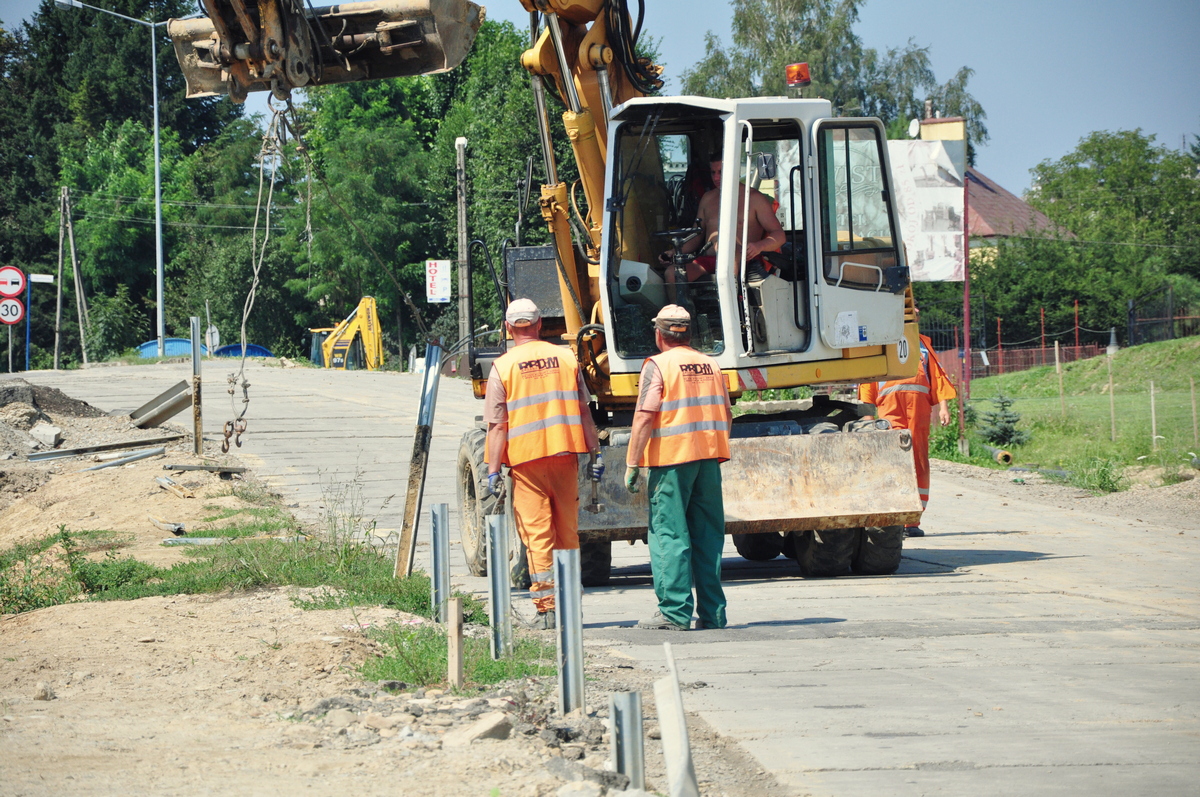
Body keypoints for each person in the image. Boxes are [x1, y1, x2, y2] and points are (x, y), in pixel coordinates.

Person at [485, 298, 601, 629]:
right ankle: (571, 607)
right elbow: (583, 411)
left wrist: (492, 472)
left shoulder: (503, 367)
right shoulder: (566, 359)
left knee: (538, 536)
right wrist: (595, 453)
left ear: (508, 328)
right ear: (538, 325)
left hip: (527, 463)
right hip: (565, 457)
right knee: (567, 533)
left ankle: (548, 610)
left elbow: (497, 427)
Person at [624, 305, 733, 631]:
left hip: (671, 462)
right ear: (689, 333)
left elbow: (645, 415)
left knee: (669, 535)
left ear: (659, 334)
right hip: (708, 460)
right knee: (708, 537)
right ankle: (713, 614)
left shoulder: (657, 365)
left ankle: (673, 612)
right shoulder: (710, 364)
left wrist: (633, 462)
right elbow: (726, 414)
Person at [857, 309, 956, 537]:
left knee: (918, 459)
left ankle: (912, 521)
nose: (915, 313)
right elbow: (868, 380)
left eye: (915, 311)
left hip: (918, 411)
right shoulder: (879, 342)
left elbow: (937, 377)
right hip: (890, 410)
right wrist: (868, 417)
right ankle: (895, 519)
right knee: (895, 461)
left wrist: (943, 407)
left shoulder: (923, 345)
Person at [657, 156, 786, 285]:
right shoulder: (707, 198)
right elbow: (696, 236)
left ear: (734, 170)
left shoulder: (754, 198)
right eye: (713, 172)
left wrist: (759, 246)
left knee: (730, 250)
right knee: (672, 274)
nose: (716, 177)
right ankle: (681, 301)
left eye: (721, 172)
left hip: (744, 262)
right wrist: (674, 252)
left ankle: (734, 295)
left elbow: (779, 235)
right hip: (709, 260)